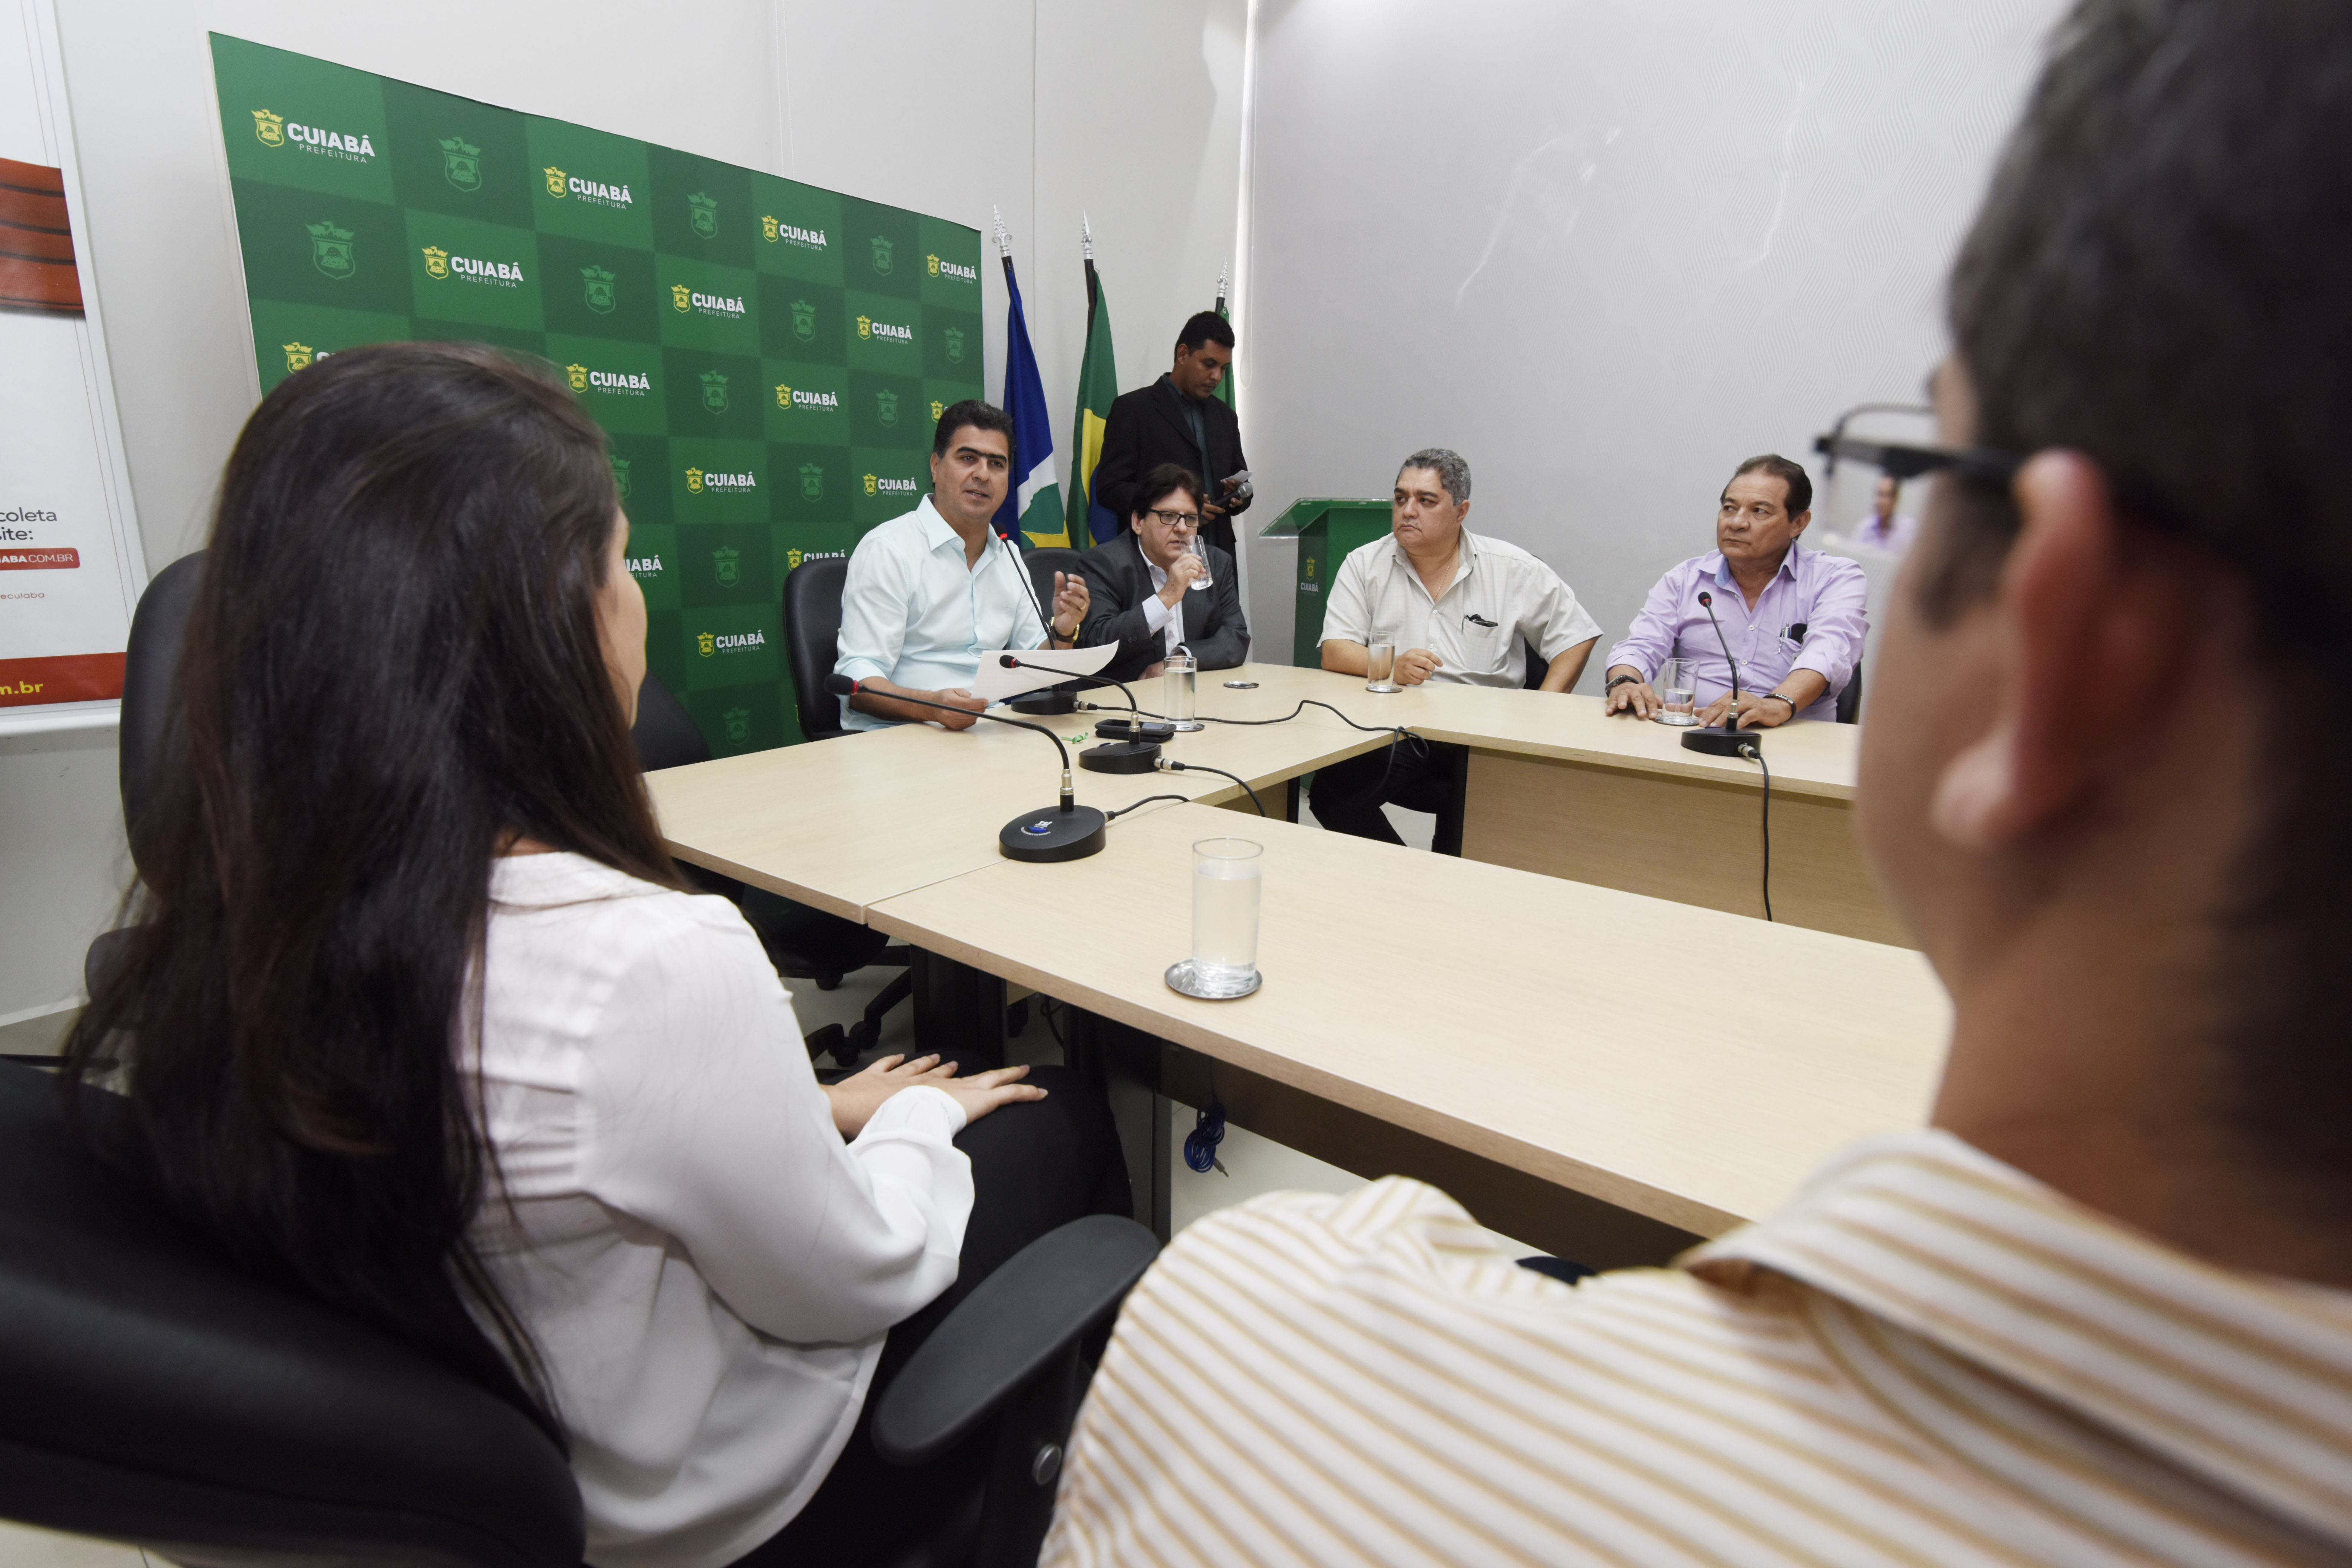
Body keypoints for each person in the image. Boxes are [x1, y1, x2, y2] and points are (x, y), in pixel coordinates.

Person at [1036, 3, 2352, 1563]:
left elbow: (1649, 649)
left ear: (2064, 644)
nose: (1749, 523)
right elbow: (1603, 647)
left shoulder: (1249, 1343)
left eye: (1918, 476)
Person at [56, 343, 1128, 1568]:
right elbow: (855, 1276)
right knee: (1060, 1119)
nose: (636, 602)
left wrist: (805, 1106)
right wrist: (912, 1124)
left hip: (493, 1468)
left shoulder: (224, 932)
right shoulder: (648, 958)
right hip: (734, 1503)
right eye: (619, 560)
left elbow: (566, 1129)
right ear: (547, 625)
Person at [1310, 447, 1601, 848]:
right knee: (1331, 794)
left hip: (1484, 736)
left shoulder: (1511, 568)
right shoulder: (1364, 564)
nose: (1408, 511)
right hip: (1401, 733)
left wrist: (1542, 711)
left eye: (1426, 501)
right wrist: (1391, 666)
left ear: (1461, 511)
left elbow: (1577, 636)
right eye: (1401, 498)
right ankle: (1407, 874)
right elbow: (1335, 650)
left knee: (1461, 841)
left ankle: (1445, 872)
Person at [834, 400, 1089, 731]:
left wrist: (1063, 630)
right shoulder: (889, 550)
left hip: (990, 731)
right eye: (968, 458)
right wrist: (933, 707)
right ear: (935, 466)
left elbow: (1036, 667)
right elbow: (857, 683)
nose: (983, 474)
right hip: (901, 736)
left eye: (996, 464)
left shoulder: (1009, 555)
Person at [1600, 455, 1865, 727]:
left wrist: (1777, 704)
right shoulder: (1685, 580)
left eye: (1759, 511)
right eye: (1729, 508)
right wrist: (1625, 682)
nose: (1737, 522)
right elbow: (1641, 646)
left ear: (1798, 523)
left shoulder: (1834, 578)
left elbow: (1828, 651)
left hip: (1797, 737)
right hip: (1697, 732)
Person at [1091, 312, 1251, 556]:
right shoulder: (1133, 410)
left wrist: (1237, 496)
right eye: (1209, 365)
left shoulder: (1226, 417)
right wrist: (1177, 508)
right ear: (1183, 354)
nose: (1217, 376)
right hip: (1155, 558)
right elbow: (1110, 488)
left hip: (1217, 555)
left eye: (1223, 368)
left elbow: (1240, 480)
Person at [1074, 463, 1250, 683]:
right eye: (1168, 516)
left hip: (1194, 693)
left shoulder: (1215, 563)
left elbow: (1236, 637)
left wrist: (1181, 660)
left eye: (1191, 518)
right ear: (1138, 522)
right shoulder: (1104, 564)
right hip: (1126, 697)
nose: (1182, 528)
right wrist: (1166, 597)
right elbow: (1096, 643)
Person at [1852, 470, 1920, 553]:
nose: (1879, 501)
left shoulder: (1909, 530)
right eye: (1878, 495)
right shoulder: (1864, 529)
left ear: (1895, 500)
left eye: (1885, 496)